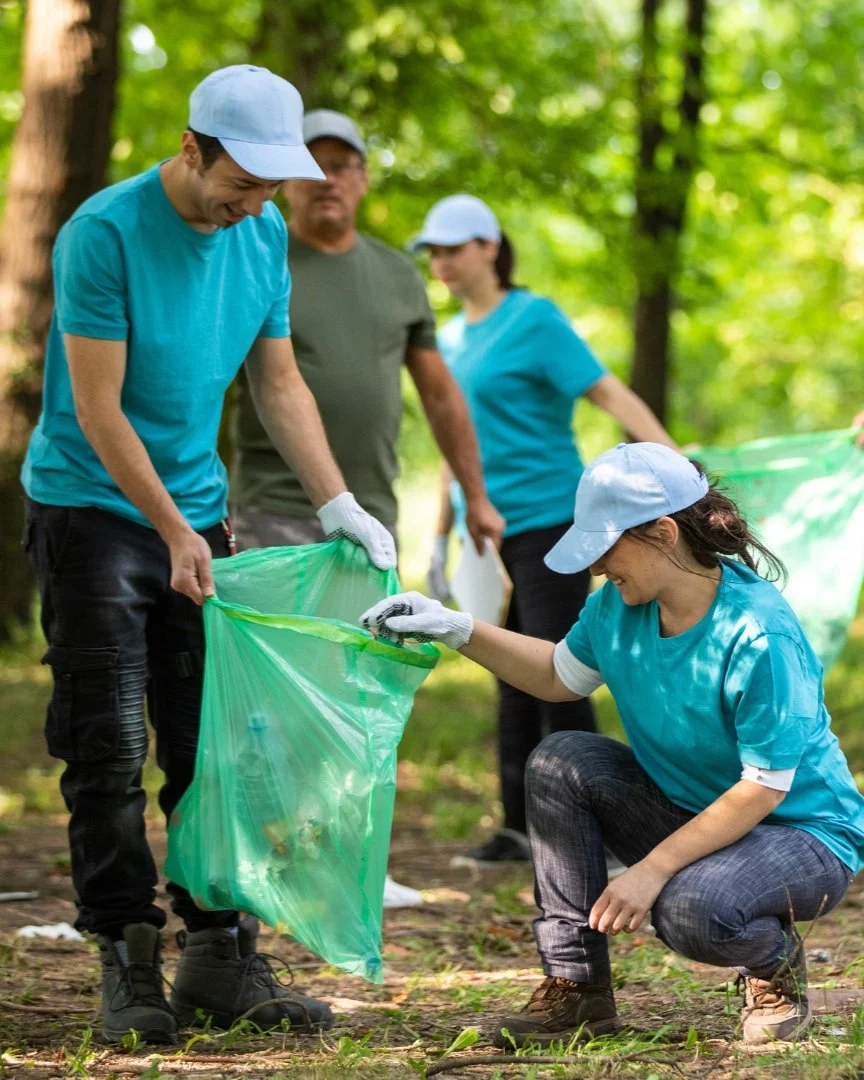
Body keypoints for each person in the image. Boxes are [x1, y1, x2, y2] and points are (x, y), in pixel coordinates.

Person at [21, 66, 398, 1046]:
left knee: (215, 750)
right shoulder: (103, 233)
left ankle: (219, 957)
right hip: (93, 511)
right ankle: (127, 957)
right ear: (192, 147)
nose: (254, 207)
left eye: (272, 188)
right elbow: (98, 409)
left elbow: (276, 384)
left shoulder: (263, 231)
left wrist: (340, 502)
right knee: (108, 749)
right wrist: (174, 530)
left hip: (194, 513)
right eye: (242, 184)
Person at [361, 442, 864, 1047]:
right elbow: (554, 675)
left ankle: (772, 966)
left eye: (606, 548)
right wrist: (455, 627)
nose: (596, 567)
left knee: (689, 909)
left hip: (800, 832)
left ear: (662, 532)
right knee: (561, 759)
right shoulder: (615, 609)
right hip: (693, 809)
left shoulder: (758, 632)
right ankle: (577, 993)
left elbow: (763, 787)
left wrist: (649, 871)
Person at [410, 195, 676, 862]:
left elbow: (607, 392)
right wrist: (440, 536)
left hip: (554, 521)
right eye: (433, 251)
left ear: (489, 247)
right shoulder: (448, 339)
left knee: (562, 669)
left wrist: (674, 463)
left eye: (453, 247)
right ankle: (517, 826)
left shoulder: (533, 319)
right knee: (506, 670)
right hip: (488, 534)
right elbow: (453, 446)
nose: (441, 261)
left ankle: (604, 829)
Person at [230, 112, 503, 555]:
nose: (326, 179)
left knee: (367, 629)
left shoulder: (399, 274)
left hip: (372, 511)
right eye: (311, 166)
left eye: (340, 166)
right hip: (273, 508)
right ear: (285, 181)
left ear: (363, 179)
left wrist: (475, 498)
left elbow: (440, 396)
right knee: (276, 629)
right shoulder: (255, 262)